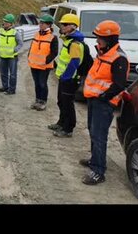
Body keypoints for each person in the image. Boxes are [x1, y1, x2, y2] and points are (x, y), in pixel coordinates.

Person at [81, 20, 129, 185]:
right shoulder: (103, 53)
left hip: (103, 103)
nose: (97, 41)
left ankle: (98, 171)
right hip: (94, 100)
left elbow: (119, 85)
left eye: (100, 38)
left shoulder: (118, 58)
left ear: (110, 39)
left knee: (99, 136)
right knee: (93, 132)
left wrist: (103, 97)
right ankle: (95, 159)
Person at [49, 14, 85, 138]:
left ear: (73, 26)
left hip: (70, 80)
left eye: (65, 24)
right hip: (64, 78)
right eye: (62, 24)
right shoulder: (68, 40)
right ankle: (61, 122)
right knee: (61, 102)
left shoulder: (74, 43)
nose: (62, 26)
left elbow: (74, 62)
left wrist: (66, 77)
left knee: (67, 104)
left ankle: (68, 128)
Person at [27, 14, 58, 110]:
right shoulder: (36, 34)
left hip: (44, 66)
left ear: (49, 25)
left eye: (43, 23)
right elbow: (32, 47)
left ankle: (43, 101)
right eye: (40, 23)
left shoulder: (53, 37)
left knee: (42, 84)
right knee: (36, 84)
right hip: (34, 64)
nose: (40, 24)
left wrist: (45, 61)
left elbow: (54, 53)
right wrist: (29, 56)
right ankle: (37, 100)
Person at [0, 14, 23, 95]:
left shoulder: (15, 33)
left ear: (11, 24)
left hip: (12, 57)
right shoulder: (0, 31)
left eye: (6, 22)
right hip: (2, 56)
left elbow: (20, 43)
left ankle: (12, 89)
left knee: (12, 74)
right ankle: (5, 87)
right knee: (3, 73)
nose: (4, 23)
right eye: (4, 21)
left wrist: (14, 50)